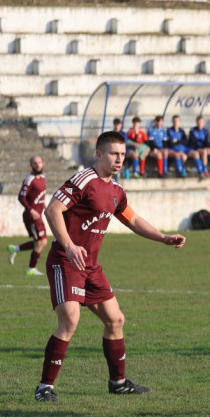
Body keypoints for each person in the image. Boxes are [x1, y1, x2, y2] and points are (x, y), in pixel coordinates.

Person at [35, 131, 186, 402]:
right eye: (114, 154)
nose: (119, 159)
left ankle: (118, 383)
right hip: (65, 261)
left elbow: (133, 220)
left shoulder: (116, 190)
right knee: (69, 319)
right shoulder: (84, 180)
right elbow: (52, 210)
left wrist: (163, 237)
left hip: (91, 267)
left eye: (123, 154)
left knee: (115, 320)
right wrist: (69, 246)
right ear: (99, 154)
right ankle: (45, 387)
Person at [8, 155, 48, 276]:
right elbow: (21, 197)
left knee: (43, 242)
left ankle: (14, 249)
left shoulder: (42, 178)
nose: (38, 165)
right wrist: (31, 210)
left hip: (39, 215)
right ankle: (31, 269)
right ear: (31, 165)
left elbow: (39, 195)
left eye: (39, 162)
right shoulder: (29, 179)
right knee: (39, 243)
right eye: (35, 163)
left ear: (43, 163)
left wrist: (43, 205)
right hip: (32, 217)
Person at [187, 115, 210, 180]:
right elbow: (194, 142)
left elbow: (207, 142)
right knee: (204, 151)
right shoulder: (193, 131)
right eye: (198, 122)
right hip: (195, 149)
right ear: (196, 123)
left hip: (203, 148)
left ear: (203, 123)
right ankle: (205, 170)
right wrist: (204, 148)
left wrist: (208, 147)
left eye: (201, 122)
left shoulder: (206, 131)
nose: (200, 124)